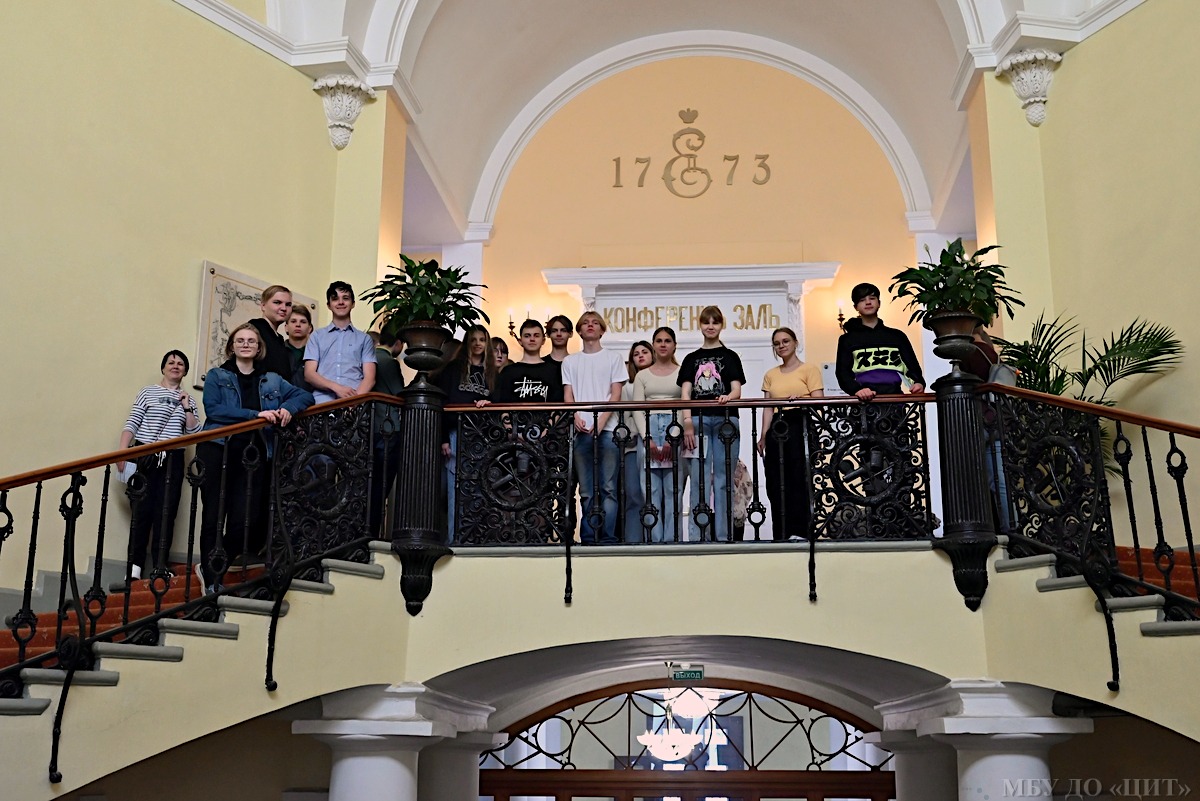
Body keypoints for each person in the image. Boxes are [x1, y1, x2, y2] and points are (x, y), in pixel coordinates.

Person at [197, 323, 313, 590]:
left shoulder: (271, 379)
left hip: (255, 455)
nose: (246, 344)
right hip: (217, 449)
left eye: (251, 341)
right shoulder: (217, 375)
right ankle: (213, 580)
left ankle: (212, 565)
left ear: (259, 347)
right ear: (232, 346)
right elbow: (214, 410)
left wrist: (288, 407)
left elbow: (305, 395)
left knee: (246, 521)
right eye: (240, 340)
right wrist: (255, 416)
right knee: (213, 516)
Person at [116, 350, 202, 580]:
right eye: (171, 362)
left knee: (166, 512)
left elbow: (194, 433)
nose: (175, 366)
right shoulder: (148, 392)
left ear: (185, 371)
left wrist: (186, 406)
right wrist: (122, 452)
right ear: (163, 368)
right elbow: (133, 422)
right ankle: (134, 570)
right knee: (141, 512)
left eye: (180, 364)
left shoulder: (189, 399)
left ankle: (160, 565)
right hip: (144, 455)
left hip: (173, 459)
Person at [679, 306, 746, 542]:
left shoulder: (731, 356)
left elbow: (737, 389)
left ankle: (725, 536)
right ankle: (698, 536)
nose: (710, 326)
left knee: (723, 479)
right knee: (699, 479)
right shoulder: (691, 359)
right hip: (698, 421)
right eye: (706, 322)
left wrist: (728, 397)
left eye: (715, 322)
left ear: (721, 325)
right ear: (700, 325)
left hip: (726, 422)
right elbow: (685, 394)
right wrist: (687, 422)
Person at [561, 311, 628, 545]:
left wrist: (601, 421)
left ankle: (607, 537)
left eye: (595, 323)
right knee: (587, 490)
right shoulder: (570, 361)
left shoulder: (613, 358)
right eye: (585, 323)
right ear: (579, 331)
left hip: (608, 430)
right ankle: (589, 538)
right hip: (581, 431)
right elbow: (568, 395)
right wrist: (575, 416)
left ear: (602, 330)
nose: (590, 326)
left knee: (609, 488)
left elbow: (616, 394)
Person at [757, 327, 824, 541]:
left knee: (799, 478)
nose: (781, 346)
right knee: (776, 481)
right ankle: (781, 534)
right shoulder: (770, 375)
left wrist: (802, 399)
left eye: (786, 341)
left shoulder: (809, 369)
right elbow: (768, 407)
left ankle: (803, 531)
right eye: (777, 343)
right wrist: (763, 435)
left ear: (795, 343)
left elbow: (819, 401)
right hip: (778, 427)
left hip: (800, 423)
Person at [436, 325, 496, 540]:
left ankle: (474, 539)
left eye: (482, 340)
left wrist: (489, 403)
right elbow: (443, 403)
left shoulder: (491, 373)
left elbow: (498, 401)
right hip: (456, 433)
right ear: (467, 343)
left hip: (482, 437)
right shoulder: (454, 369)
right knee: (455, 488)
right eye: (473, 339)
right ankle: (455, 539)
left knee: (478, 488)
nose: (478, 344)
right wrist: (443, 438)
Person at [633, 327, 683, 543]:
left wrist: (674, 437)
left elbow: (685, 404)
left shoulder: (683, 372)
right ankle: (654, 542)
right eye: (659, 340)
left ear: (674, 346)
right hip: (649, 429)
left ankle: (673, 542)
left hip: (674, 429)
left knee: (674, 491)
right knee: (650, 491)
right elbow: (637, 408)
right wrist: (647, 438)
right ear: (654, 345)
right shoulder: (642, 375)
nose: (663, 344)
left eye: (668, 340)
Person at [835, 282, 925, 399]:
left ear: (879, 303)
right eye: (862, 300)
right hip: (863, 401)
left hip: (895, 399)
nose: (868, 302)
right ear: (855, 307)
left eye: (872, 298)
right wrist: (856, 390)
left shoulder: (897, 336)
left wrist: (918, 383)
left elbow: (912, 366)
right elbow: (842, 373)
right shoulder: (847, 339)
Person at [304, 281, 377, 404]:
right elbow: (309, 374)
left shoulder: (364, 339)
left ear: (353, 304)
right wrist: (337, 388)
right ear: (329, 305)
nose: (341, 302)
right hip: (321, 405)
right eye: (335, 299)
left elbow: (370, 378)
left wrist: (353, 402)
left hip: (355, 405)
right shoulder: (316, 336)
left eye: (346, 298)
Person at [621, 341, 653, 542]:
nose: (640, 355)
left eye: (645, 352)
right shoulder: (627, 387)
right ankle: (633, 541)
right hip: (633, 446)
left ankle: (656, 540)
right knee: (634, 494)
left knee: (656, 495)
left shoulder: (659, 383)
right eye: (636, 353)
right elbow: (625, 417)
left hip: (659, 445)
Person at [249, 284, 296, 381]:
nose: (284, 308)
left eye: (288, 304)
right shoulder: (254, 329)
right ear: (263, 306)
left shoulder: (279, 338)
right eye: (277, 302)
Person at [284, 305, 314, 388]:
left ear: (310, 328)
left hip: (309, 396)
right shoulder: (278, 351)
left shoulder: (316, 353)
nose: (298, 325)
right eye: (293, 321)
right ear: (286, 327)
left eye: (303, 322)